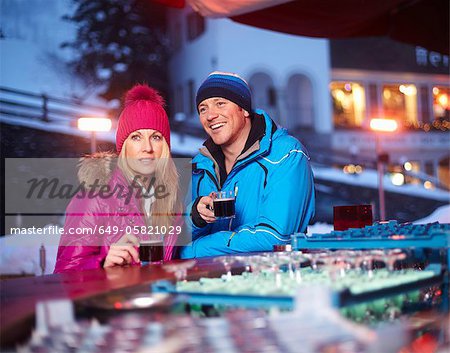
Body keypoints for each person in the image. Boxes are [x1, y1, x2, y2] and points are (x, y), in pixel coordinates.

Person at [180, 71, 315, 258]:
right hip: (205, 282)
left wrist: (189, 251)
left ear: (243, 109)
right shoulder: (198, 167)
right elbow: (170, 238)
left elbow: (275, 238)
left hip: (269, 281)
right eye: (203, 108)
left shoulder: (287, 154)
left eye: (220, 103)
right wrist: (195, 217)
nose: (210, 115)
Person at [54, 84, 181, 273]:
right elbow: (63, 273)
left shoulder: (170, 200)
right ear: (123, 147)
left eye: (156, 137)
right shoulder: (94, 196)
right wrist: (102, 264)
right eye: (136, 137)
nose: (147, 147)